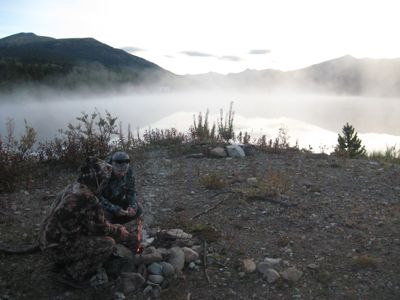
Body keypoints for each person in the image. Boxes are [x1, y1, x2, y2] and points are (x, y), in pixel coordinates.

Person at [39, 157, 130, 288]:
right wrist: (118, 231)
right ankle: (71, 274)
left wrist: (113, 227)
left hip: (46, 241)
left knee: (105, 228)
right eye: (103, 181)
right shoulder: (87, 198)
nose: (105, 184)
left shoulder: (73, 187)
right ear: (97, 180)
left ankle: (64, 259)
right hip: (56, 249)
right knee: (108, 244)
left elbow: (89, 222)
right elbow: (101, 229)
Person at [100, 151, 142, 224]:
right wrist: (114, 208)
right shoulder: (103, 173)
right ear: (113, 167)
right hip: (103, 204)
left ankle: (116, 225)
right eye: (119, 171)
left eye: (124, 171)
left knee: (138, 209)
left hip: (117, 200)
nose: (122, 174)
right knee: (103, 216)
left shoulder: (128, 172)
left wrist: (132, 206)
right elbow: (97, 197)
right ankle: (109, 227)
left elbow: (131, 191)